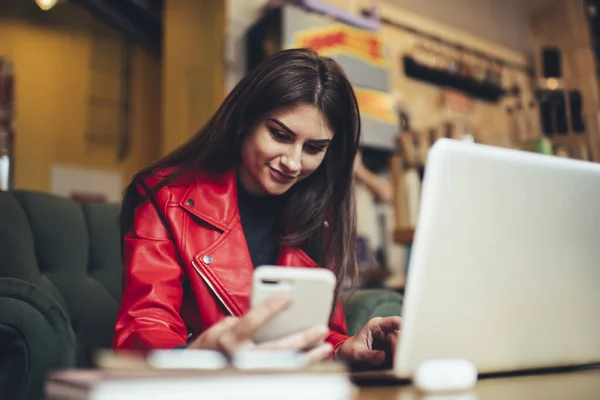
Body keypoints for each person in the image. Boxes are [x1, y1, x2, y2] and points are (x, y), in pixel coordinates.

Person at [113, 48, 401, 366]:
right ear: (245, 120)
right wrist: (198, 355)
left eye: (314, 148)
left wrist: (342, 348)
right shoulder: (165, 198)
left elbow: (319, 332)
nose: (292, 162)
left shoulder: (320, 216)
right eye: (279, 135)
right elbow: (144, 329)